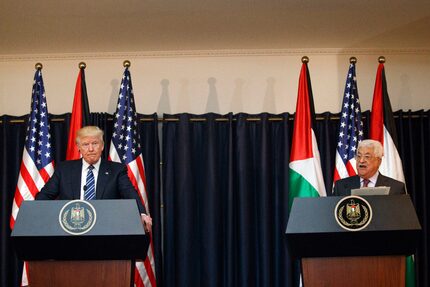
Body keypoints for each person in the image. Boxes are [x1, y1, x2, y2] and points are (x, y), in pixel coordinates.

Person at [35, 126, 152, 232]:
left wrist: (141, 213)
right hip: (71, 231)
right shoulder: (64, 170)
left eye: (95, 143)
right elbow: (44, 196)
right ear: (78, 148)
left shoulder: (117, 170)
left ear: (102, 146)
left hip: (106, 230)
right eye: (86, 144)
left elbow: (130, 193)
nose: (91, 149)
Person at [333, 139, 406, 196]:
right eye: (358, 156)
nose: (361, 161)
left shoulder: (396, 188)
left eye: (367, 157)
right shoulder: (340, 186)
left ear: (378, 161)